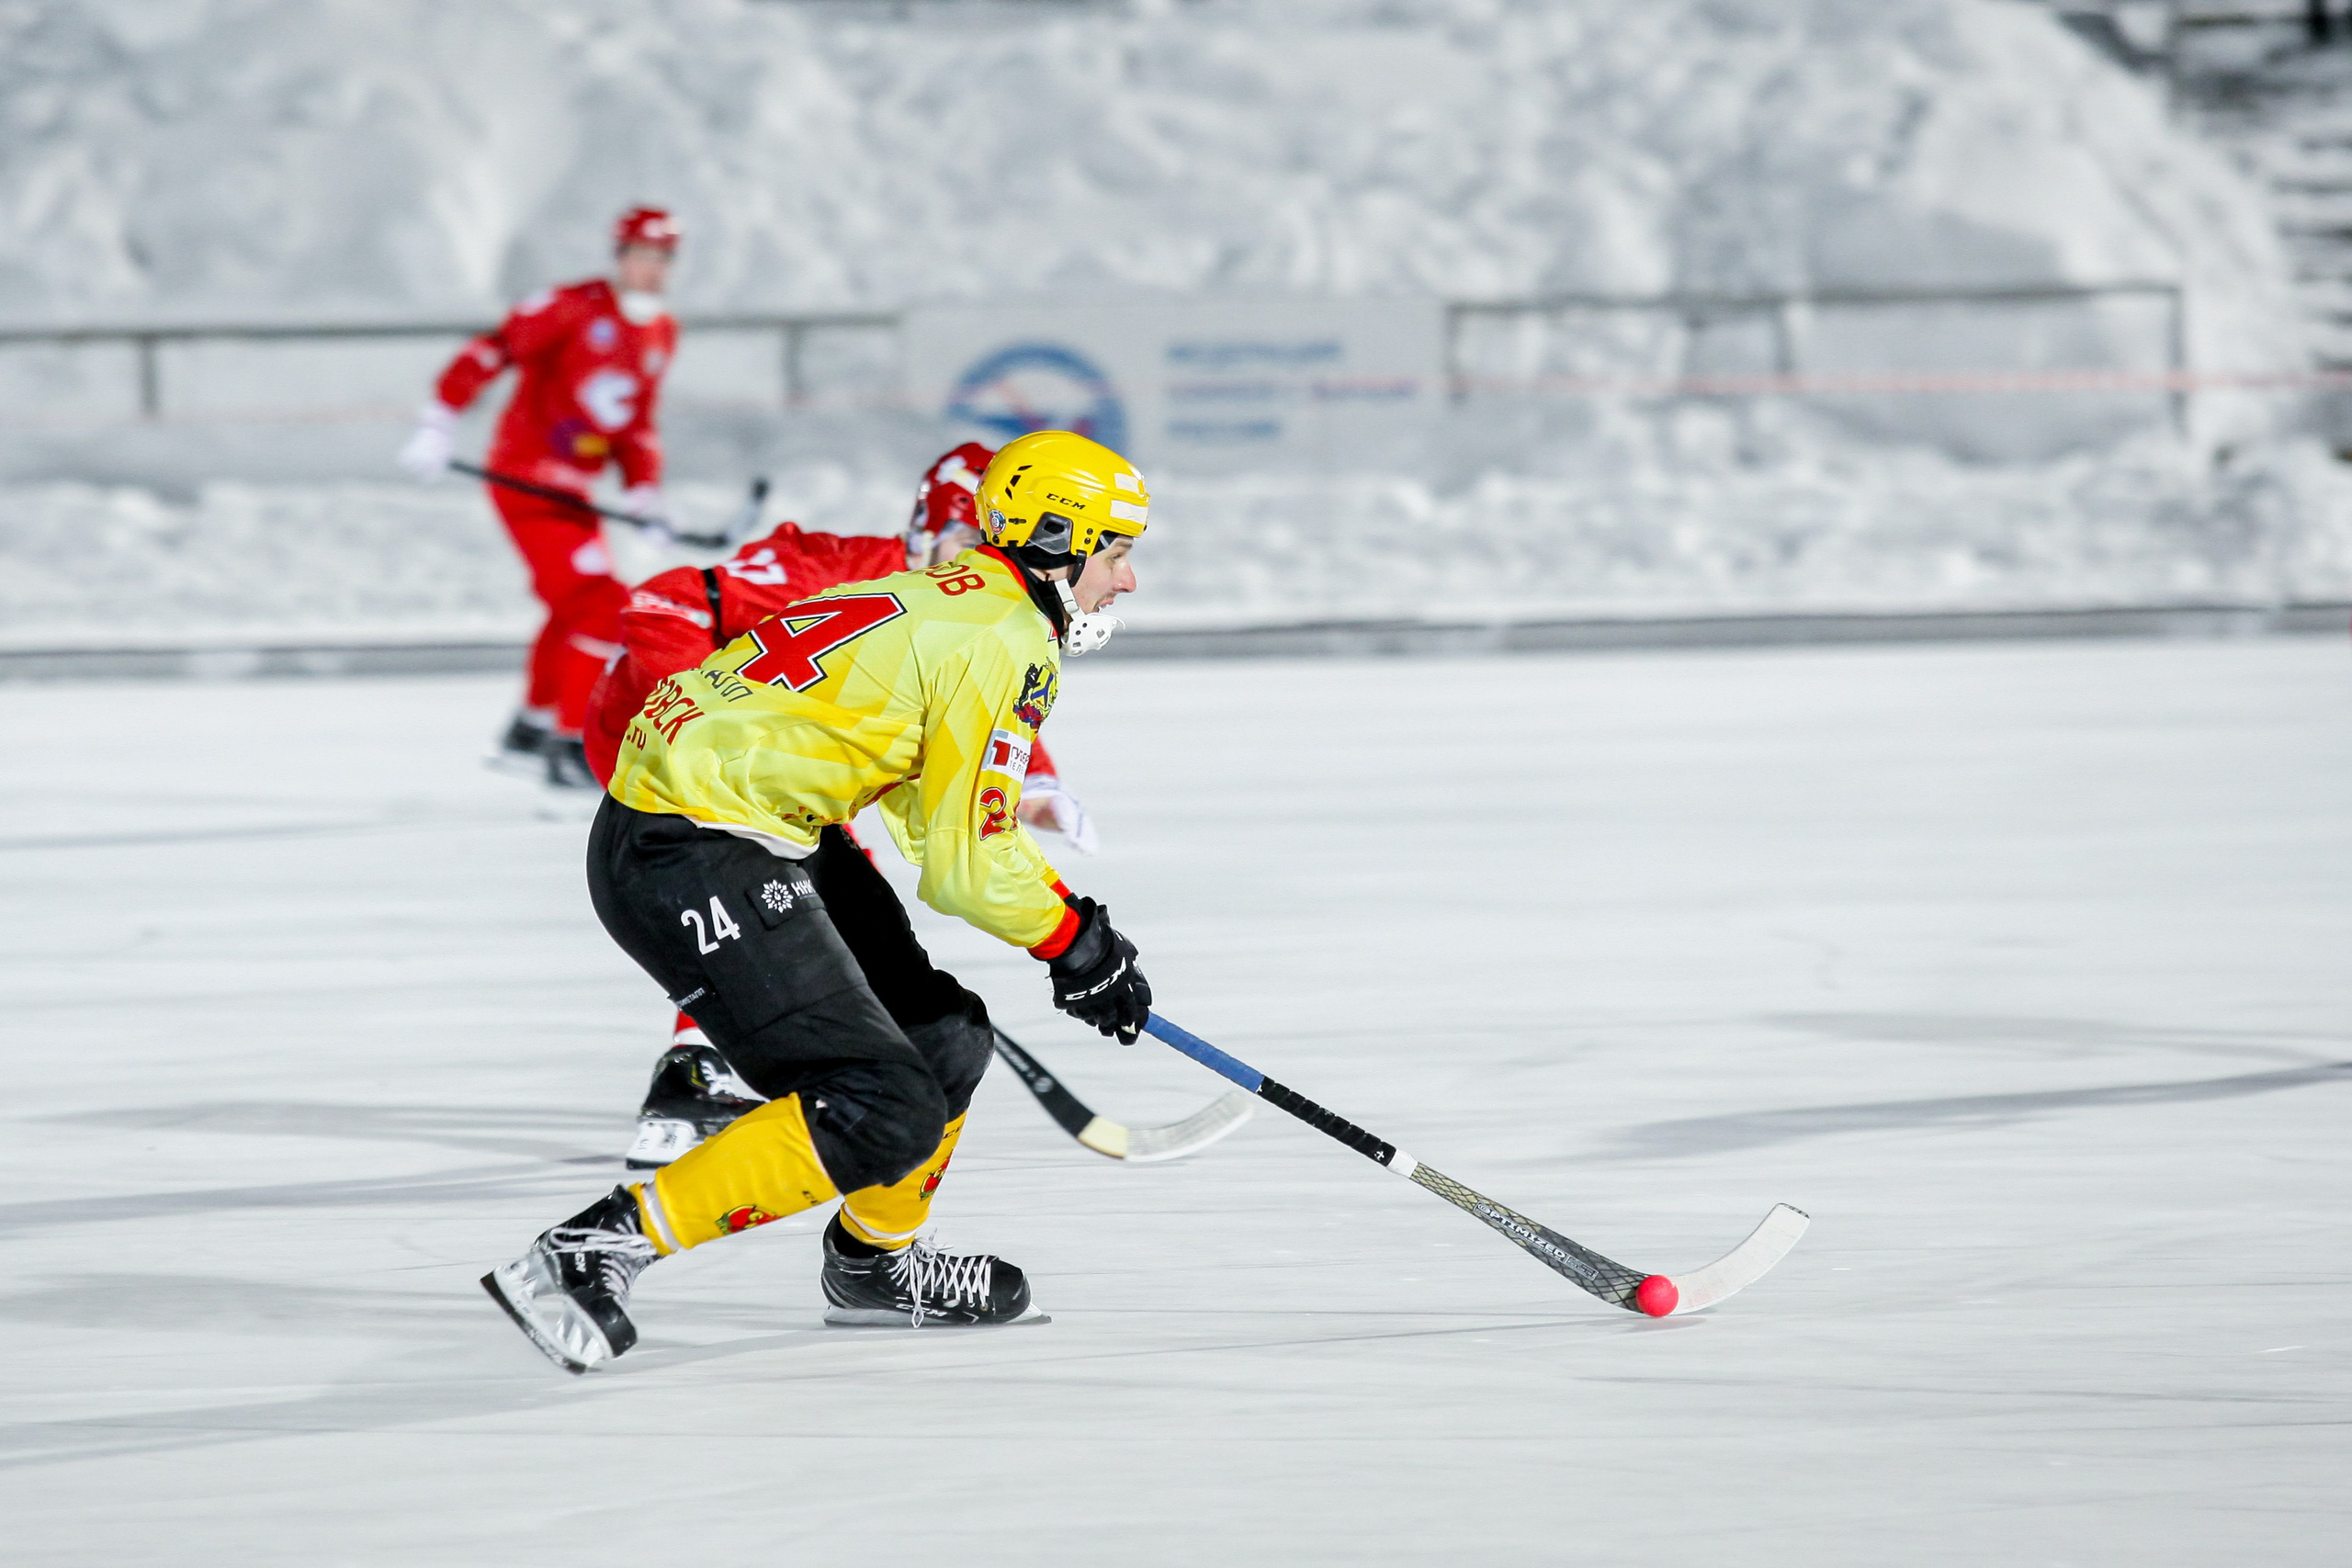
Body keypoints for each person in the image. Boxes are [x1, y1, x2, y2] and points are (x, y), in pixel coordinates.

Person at [482, 430, 1154, 1370]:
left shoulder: (952, 598)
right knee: (883, 1103)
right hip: (690, 843)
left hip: (748, 821)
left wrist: (1069, 932)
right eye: (1117, 553)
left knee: (945, 1037)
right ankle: (584, 1254)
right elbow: (965, 864)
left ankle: (874, 1269)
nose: (1125, 581)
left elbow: (934, 823)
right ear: (1056, 539)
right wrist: (1074, 943)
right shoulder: (1005, 639)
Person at [581, 442, 1102, 1169]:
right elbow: (658, 603)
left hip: (773, 759)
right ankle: (697, 1069)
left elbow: (971, 714)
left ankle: (771, 1044)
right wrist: (729, 730)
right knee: (774, 891)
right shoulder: (836, 569)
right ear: (925, 528)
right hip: (663, 735)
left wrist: (1034, 781)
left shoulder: (973, 610)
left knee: (820, 894)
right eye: (966, 541)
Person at [399, 206, 683, 787]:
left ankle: (529, 731)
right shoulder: (572, 306)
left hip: (576, 491)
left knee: (574, 607)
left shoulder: (660, 332)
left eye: (662, 258)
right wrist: (441, 415)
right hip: (526, 479)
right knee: (603, 604)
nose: (650, 269)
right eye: (641, 255)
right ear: (620, 255)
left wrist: (644, 492)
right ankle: (571, 745)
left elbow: (636, 427)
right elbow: (494, 349)